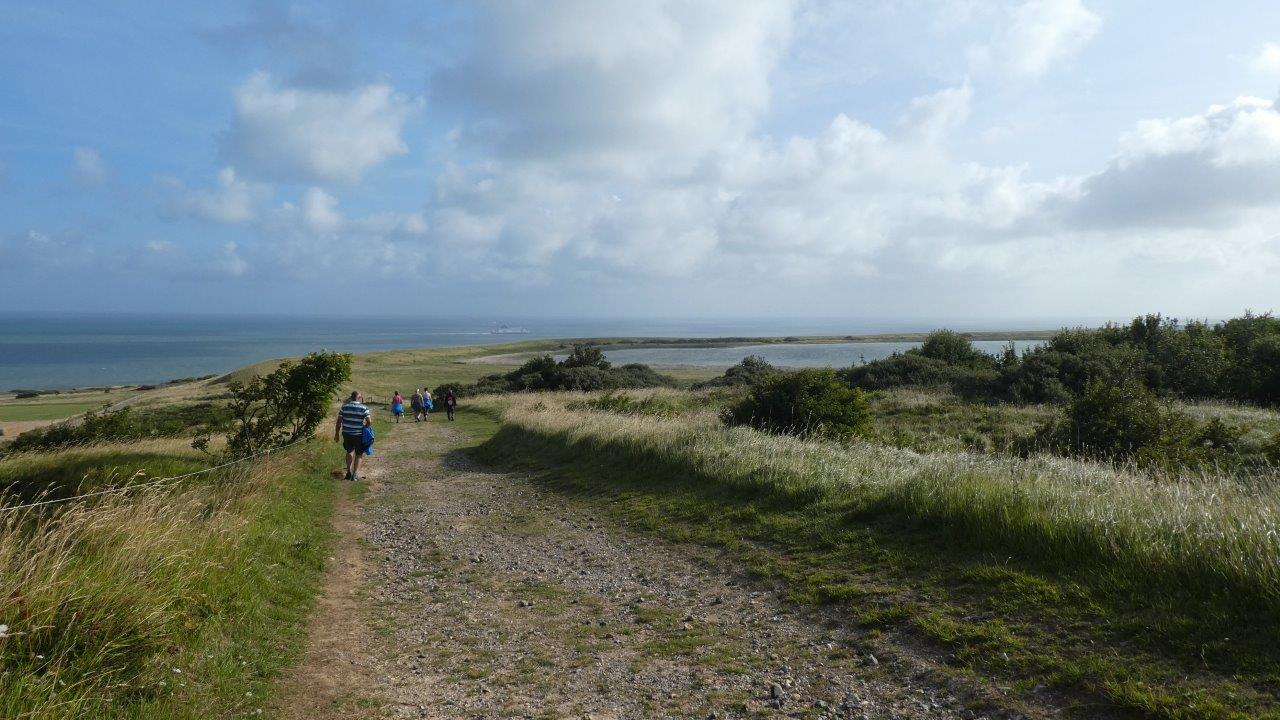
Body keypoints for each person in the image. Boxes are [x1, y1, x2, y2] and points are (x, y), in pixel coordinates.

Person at [334, 390, 371, 481]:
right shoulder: (364, 408)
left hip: (346, 433)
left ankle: (348, 472)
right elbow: (369, 421)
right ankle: (355, 475)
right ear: (359, 398)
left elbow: (339, 421)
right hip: (358, 434)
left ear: (351, 397)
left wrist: (336, 434)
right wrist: (365, 427)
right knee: (359, 454)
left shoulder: (344, 407)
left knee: (349, 451)